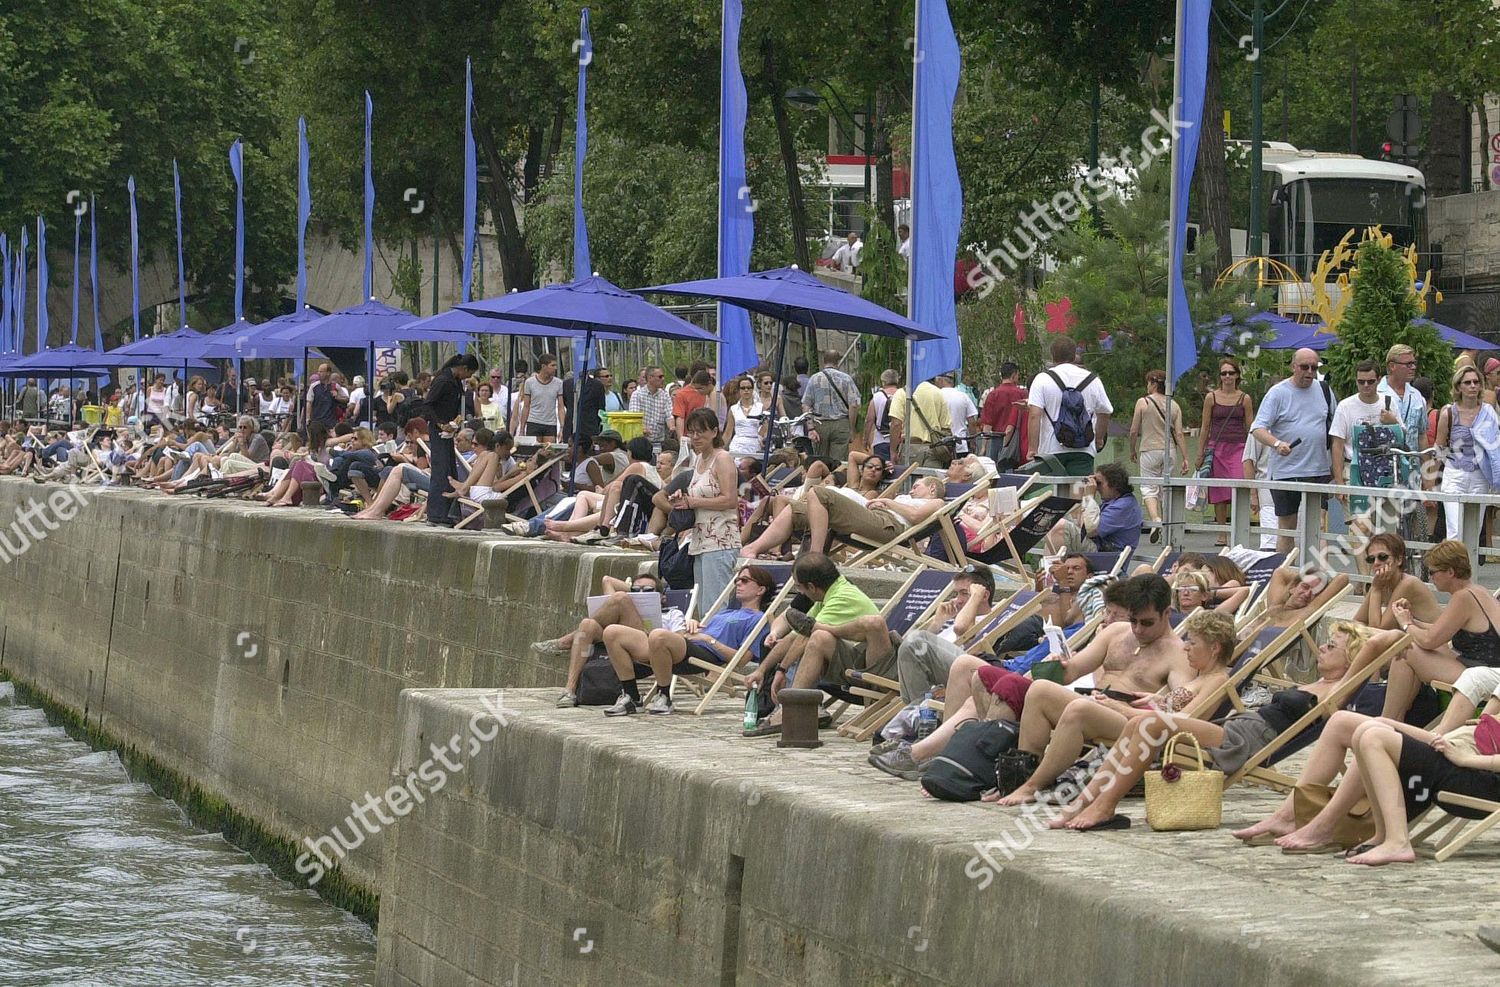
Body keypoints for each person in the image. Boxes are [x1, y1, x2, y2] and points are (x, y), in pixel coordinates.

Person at [1054, 620, 1376, 831]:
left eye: (1332, 646)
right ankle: (1086, 803)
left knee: (1150, 723)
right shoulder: (1318, 682)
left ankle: (1104, 807)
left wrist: (1399, 622)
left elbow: (1377, 645)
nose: (1322, 647)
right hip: (1239, 726)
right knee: (1140, 723)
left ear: (1351, 658)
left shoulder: (1339, 690)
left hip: (1246, 741)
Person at [992, 574, 1199, 805]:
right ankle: (1020, 778)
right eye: (1134, 621)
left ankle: (1033, 787)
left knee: (1079, 709)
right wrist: (1059, 664)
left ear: (1167, 613)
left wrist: (1131, 707)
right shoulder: (1116, 633)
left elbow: (1179, 714)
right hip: (1095, 704)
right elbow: (1072, 671)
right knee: (1040, 690)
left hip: (1130, 721)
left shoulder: (1178, 654)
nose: (1138, 629)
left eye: (1147, 622)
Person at [741, 553, 894, 734]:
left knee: (817, 637)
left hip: (871, 677)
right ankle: (797, 707)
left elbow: (804, 637)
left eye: (799, 587)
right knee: (817, 636)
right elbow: (795, 635)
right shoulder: (830, 593)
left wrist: (781, 670)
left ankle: (791, 709)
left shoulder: (842, 597)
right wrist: (761, 670)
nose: (800, 593)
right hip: (857, 665)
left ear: (812, 587)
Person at [598, 565, 777, 716]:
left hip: (705, 655)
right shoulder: (726, 612)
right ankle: (631, 696)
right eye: (737, 580)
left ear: (761, 590)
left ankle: (664, 696)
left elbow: (743, 659)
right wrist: (694, 624)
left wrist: (708, 639)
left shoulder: (758, 619)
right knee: (612, 632)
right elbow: (699, 631)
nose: (738, 583)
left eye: (745, 580)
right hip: (684, 644)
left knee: (658, 635)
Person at [545, 573, 689, 707]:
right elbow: (607, 580)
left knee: (620, 598)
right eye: (635, 590)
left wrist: (690, 626)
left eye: (648, 591)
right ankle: (570, 690)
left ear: (662, 597)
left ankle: (569, 639)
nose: (640, 594)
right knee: (587, 625)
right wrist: (635, 593)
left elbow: (680, 640)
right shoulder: (624, 606)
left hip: (648, 648)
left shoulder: (672, 613)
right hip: (617, 645)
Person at [740, 474, 948, 559]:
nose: (911, 491)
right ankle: (752, 548)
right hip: (874, 516)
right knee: (793, 508)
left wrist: (890, 502)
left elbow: (916, 515)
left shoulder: (936, 502)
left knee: (819, 492)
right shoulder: (906, 498)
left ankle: (815, 555)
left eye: (917, 486)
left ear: (932, 488)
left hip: (889, 526)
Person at [1249, 348, 1335, 554]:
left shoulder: (1324, 390)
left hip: (1318, 470)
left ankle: (1318, 576)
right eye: (1304, 367)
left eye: (1314, 368)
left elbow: (1336, 426)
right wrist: (1277, 444)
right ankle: (1285, 576)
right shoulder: (1278, 393)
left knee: (1319, 525)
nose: (1309, 372)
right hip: (1287, 472)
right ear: (1293, 366)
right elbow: (1257, 428)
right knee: (1287, 526)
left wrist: (1336, 466)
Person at [669, 407, 741, 610]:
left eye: (701, 431)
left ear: (714, 432)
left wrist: (694, 502)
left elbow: (730, 500)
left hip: (720, 539)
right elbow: (698, 495)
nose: (696, 437)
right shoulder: (700, 459)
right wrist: (683, 499)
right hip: (700, 540)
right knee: (701, 607)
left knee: (715, 606)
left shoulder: (723, 459)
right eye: (691, 432)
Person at [1027, 336, 1112, 476]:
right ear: (1074, 356)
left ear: (1053, 355)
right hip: (1083, 451)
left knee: (1053, 494)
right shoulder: (1093, 380)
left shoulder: (1042, 379)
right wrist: (1098, 439)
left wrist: (1032, 448)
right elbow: (1105, 412)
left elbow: (1034, 415)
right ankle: (1080, 498)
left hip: (1050, 452)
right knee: (1080, 492)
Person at [1196, 356, 1253, 547]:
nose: (1227, 376)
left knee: (1238, 487)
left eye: (1231, 373)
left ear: (1237, 375)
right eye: (1224, 373)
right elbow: (1205, 427)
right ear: (1219, 376)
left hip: (1239, 446)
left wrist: (1254, 454)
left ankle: (1238, 529)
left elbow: (1251, 427)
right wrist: (1200, 453)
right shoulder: (1211, 397)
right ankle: (1222, 532)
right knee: (1219, 491)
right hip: (1217, 446)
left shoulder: (1244, 398)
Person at [1437, 364, 1496, 540]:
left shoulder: (1488, 412)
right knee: (1455, 531)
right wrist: (1437, 473)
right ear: (1459, 386)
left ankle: (1468, 568)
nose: (1472, 386)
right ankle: (1452, 567)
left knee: (1473, 532)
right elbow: (1439, 446)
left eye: (1476, 382)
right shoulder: (1449, 413)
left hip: (1480, 474)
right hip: (1455, 474)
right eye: (1467, 382)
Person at [1329, 359, 1392, 525]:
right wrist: (1339, 482)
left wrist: (1392, 421)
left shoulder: (1388, 403)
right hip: (1354, 469)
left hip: (1384, 470)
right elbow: (1337, 445)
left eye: (1370, 381)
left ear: (1379, 380)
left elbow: (1401, 437)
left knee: (1384, 529)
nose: (1366, 385)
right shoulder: (1345, 406)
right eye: (1361, 381)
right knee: (1361, 527)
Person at [1130, 369, 1188, 541]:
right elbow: (1179, 434)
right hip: (1169, 450)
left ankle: (1156, 519)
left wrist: (1132, 449)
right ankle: (1168, 529)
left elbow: (1134, 430)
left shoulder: (1143, 402)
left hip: (1148, 449)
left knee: (1148, 487)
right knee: (1166, 489)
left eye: (1148, 382)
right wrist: (1186, 457)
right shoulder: (1174, 405)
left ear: (1154, 384)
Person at [424, 354, 479, 526]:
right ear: (463, 368)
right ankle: (436, 513)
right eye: (469, 373)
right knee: (440, 470)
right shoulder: (443, 381)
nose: (468, 378)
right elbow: (428, 404)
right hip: (439, 429)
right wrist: (440, 423)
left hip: (449, 429)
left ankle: (448, 511)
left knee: (449, 469)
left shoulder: (454, 381)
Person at [1048, 463, 1142, 555]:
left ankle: (1052, 568)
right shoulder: (1113, 501)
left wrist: (1089, 496)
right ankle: (1049, 568)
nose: (1096, 488)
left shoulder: (1123, 506)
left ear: (1115, 485)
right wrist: (1084, 483)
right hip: (1098, 547)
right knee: (1051, 522)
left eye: (1099, 483)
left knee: (1058, 526)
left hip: (1107, 556)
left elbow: (1090, 530)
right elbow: (1079, 522)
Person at [1356, 531, 1442, 630]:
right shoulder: (1381, 582)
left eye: (1382, 557)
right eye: (1371, 559)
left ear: (1399, 560)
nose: (1376, 563)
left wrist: (1376, 590)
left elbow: (1378, 629)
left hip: (1434, 639)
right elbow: (1358, 620)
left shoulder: (1408, 583)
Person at [801, 350, 861, 460]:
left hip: (820, 424)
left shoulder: (814, 379)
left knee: (820, 460)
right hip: (841, 424)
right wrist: (852, 428)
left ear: (823, 361)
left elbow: (806, 405)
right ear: (838, 362)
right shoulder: (846, 379)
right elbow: (854, 405)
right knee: (838, 463)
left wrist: (810, 428)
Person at [887, 375, 953, 469]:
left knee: (909, 482)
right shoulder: (938, 393)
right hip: (934, 449)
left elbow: (896, 424)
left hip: (911, 449)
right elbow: (946, 427)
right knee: (930, 482)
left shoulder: (902, 393)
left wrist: (893, 451)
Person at [1378, 343, 1428, 455]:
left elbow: (1422, 435)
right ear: (1392, 366)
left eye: (1414, 363)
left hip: (1412, 465)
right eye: (1408, 364)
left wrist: (1427, 469)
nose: (1413, 367)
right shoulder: (1377, 395)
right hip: (1386, 464)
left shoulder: (1417, 396)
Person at [979, 362, 1028, 469]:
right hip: (1016, 439)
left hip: (996, 439)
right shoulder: (1022, 394)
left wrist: (984, 446)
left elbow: (988, 423)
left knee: (996, 472)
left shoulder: (993, 394)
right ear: (1014, 375)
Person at [513, 354, 565, 443]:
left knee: (549, 451)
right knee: (535, 450)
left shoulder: (558, 383)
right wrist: (522, 428)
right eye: (552, 365)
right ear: (543, 366)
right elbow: (526, 406)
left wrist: (562, 427)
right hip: (534, 421)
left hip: (550, 423)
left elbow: (561, 407)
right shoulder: (530, 382)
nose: (555, 368)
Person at [724, 376, 768, 459]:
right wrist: (720, 449)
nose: (746, 390)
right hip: (737, 445)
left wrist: (759, 437)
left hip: (754, 444)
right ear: (739, 390)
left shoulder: (760, 407)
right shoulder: (733, 409)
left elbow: (766, 427)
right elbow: (728, 433)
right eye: (743, 388)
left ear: (752, 389)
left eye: (749, 388)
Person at [628, 365, 672, 447]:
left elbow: (669, 415)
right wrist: (643, 428)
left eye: (663, 376)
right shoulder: (637, 395)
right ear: (650, 377)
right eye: (660, 377)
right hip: (641, 442)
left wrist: (672, 427)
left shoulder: (665, 395)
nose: (663, 379)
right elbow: (635, 417)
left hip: (659, 441)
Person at [936, 372, 978, 456]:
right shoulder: (963, 396)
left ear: (941, 380)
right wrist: (973, 442)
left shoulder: (936, 396)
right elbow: (972, 422)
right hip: (961, 444)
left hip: (940, 446)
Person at [671, 370, 713, 439]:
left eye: (700, 388)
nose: (697, 391)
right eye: (696, 388)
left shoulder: (712, 395)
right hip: (692, 436)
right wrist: (681, 440)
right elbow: (680, 418)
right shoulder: (682, 394)